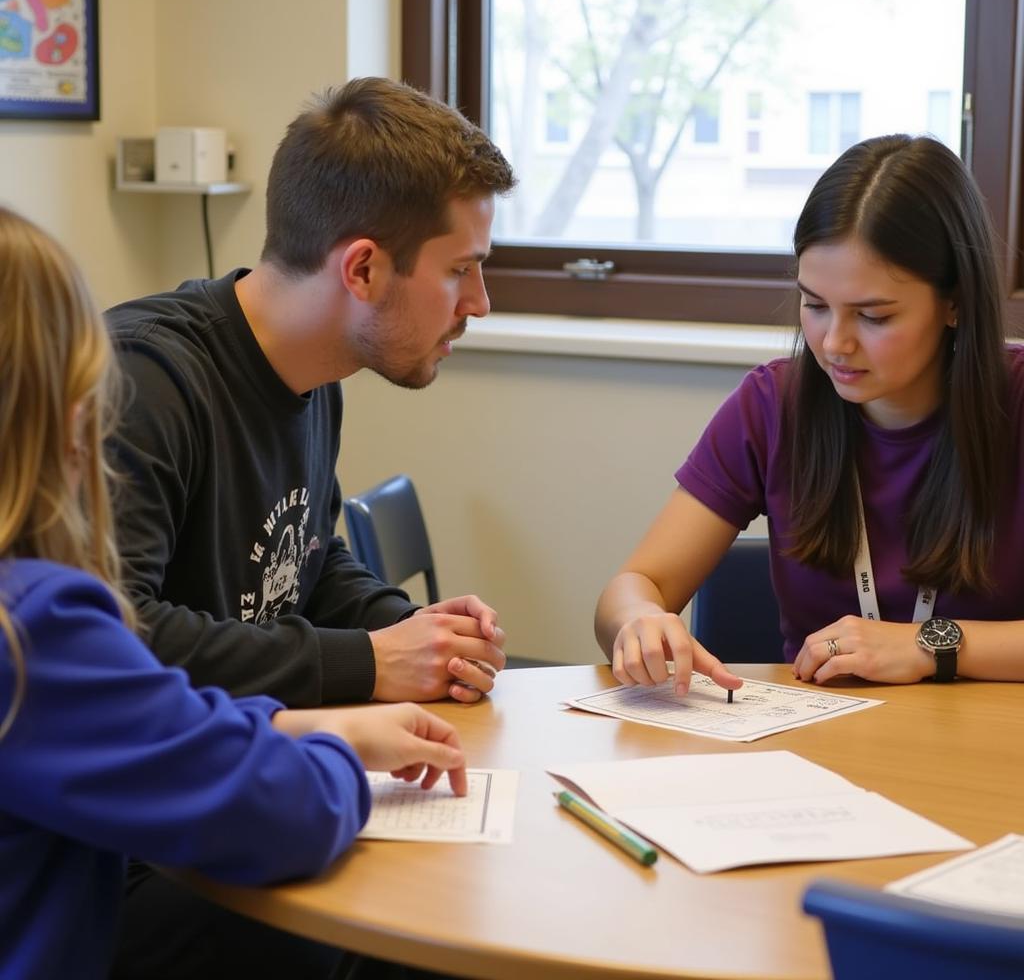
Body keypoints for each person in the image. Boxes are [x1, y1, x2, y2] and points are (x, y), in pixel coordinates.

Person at [0, 205, 469, 980]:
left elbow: (156, 714)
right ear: (64, 407)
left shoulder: (318, 389)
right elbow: (279, 812)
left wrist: (380, 661)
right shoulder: (32, 625)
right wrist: (337, 746)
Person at [105, 76, 516, 708]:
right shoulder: (141, 381)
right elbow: (118, 638)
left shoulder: (316, 376)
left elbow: (307, 564)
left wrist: (410, 628)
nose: (480, 303)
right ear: (363, 269)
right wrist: (371, 663)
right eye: (460, 270)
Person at [596, 134, 1024, 693]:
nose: (834, 344)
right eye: (815, 306)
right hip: (817, 750)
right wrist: (639, 621)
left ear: (955, 302)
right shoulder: (773, 404)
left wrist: (931, 644)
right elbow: (635, 584)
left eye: (874, 316)